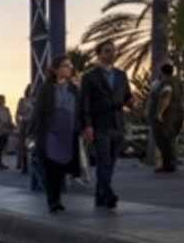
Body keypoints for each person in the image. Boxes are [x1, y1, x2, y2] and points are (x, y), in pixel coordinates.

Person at [80, 40, 132, 208]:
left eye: (113, 51)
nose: (112, 54)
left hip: (118, 124)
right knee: (104, 161)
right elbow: (84, 103)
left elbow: (127, 97)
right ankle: (108, 194)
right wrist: (87, 125)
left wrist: (131, 102)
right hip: (99, 124)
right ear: (99, 54)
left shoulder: (121, 75)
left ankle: (99, 196)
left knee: (111, 162)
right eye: (107, 51)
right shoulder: (89, 77)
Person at [29, 55, 83, 213]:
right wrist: (32, 132)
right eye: (65, 66)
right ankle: (53, 200)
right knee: (51, 167)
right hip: (51, 133)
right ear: (55, 69)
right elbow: (38, 111)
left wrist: (84, 126)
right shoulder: (46, 88)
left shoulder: (74, 89)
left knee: (61, 168)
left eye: (70, 66)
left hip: (68, 133)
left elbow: (80, 109)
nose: (69, 68)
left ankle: (57, 198)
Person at [148, 62, 184, 173]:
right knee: (170, 139)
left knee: (163, 140)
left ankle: (168, 165)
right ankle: (169, 164)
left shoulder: (165, 82)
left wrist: (159, 113)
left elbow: (166, 95)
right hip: (177, 115)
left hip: (166, 117)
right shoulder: (178, 82)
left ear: (162, 71)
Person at [0, 94, 14, 171]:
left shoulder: (6, 109)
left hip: (6, 129)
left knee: (3, 145)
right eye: (1, 100)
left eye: (3, 100)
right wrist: (1, 125)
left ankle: (0, 162)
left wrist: (10, 124)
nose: (3, 101)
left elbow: (10, 117)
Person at [15, 85, 34, 174]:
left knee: (33, 145)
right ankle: (24, 166)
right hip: (25, 123)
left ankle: (34, 164)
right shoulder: (22, 100)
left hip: (33, 124)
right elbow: (18, 113)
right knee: (23, 146)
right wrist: (18, 123)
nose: (31, 91)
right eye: (30, 89)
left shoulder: (35, 100)